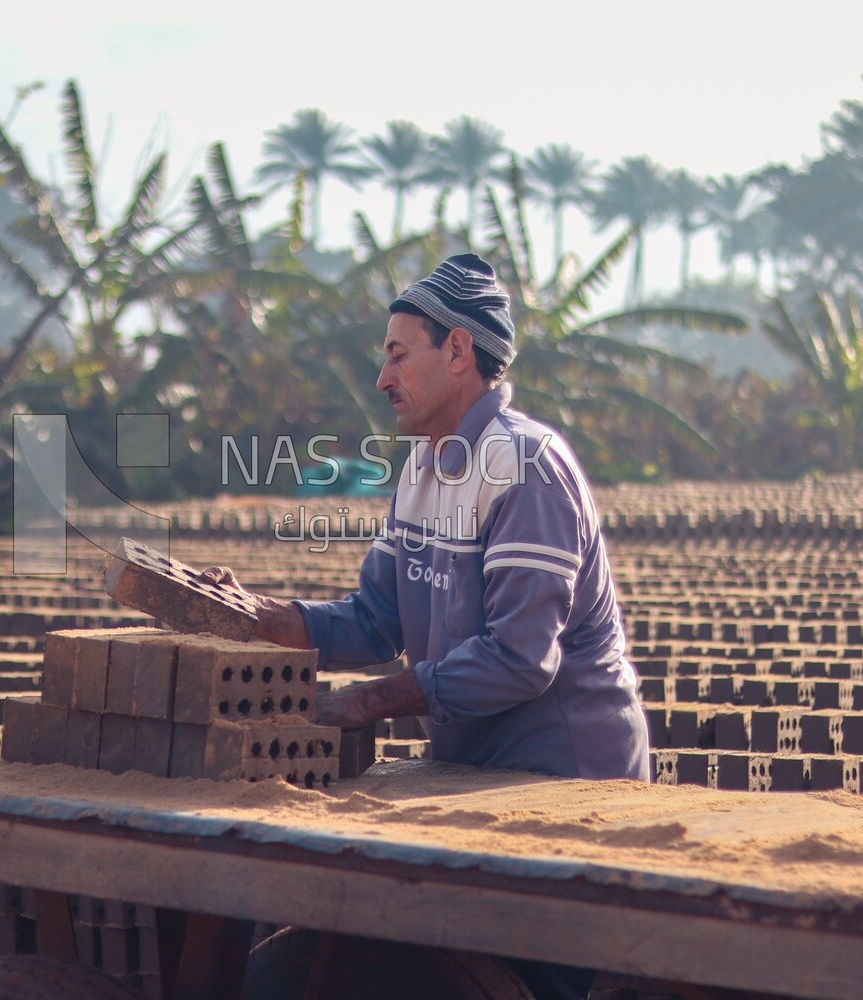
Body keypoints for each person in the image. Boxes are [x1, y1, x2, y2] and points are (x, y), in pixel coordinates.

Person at [203, 253, 648, 999]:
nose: (383, 379)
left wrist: (372, 701)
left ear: (458, 351)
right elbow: (378, 619)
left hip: (564, 786)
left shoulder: (525, 466)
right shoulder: (421, 469)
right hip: (477, 777)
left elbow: (519, 659)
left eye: (397, 355)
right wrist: (271, 620)